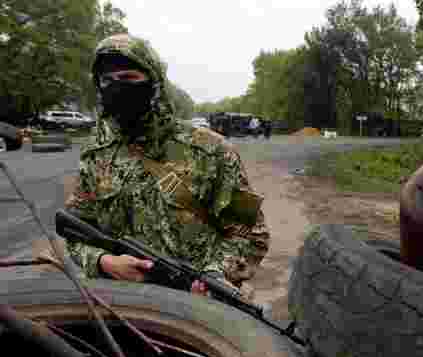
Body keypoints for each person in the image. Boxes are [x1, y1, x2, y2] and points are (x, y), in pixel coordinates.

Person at [64, 34, 270, 297]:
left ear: (155, 83)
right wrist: (103, 262)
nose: (117, 87)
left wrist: (216, 275)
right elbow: (75, 229)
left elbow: (252, 235)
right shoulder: (97, 154)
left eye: (128, 78)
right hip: (118, 302)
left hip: (199, 306)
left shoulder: (211, 150)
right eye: (107, 81)